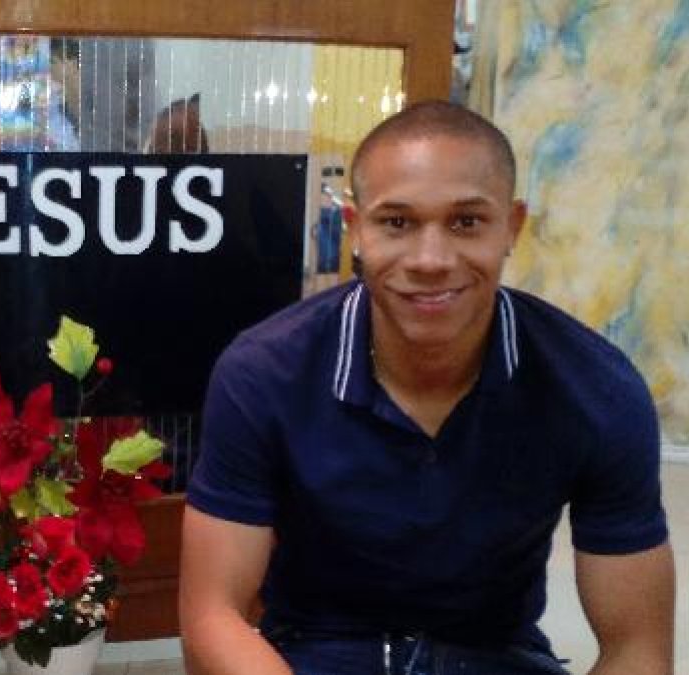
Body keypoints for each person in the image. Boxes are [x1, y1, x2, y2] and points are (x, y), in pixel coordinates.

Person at [180, 100, 674, 674]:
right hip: (311, 653)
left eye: (466, 221)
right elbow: (212, 615)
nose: (431, 259)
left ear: (511, 227)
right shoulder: (263, 373)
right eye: (397, 222)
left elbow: (638, 648)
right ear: (355, 229)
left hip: (493, 657)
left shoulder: (597, 391)